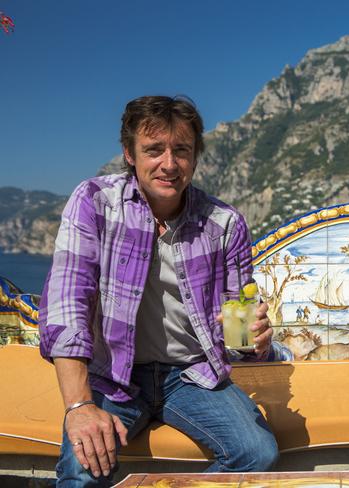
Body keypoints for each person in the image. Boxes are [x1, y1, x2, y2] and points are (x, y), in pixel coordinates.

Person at [38, 95, 279, 486]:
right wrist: (79, 405)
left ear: (196, 156)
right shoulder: (96, 203)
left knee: (257, 453)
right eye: (154, 150)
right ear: (129, 154)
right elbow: (67, 302)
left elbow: (238, 331)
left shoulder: (224, 224)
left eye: (181, 150)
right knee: (82, 471)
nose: (169, 164)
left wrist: (256, 342)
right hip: (112, 374)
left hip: (191, 375)